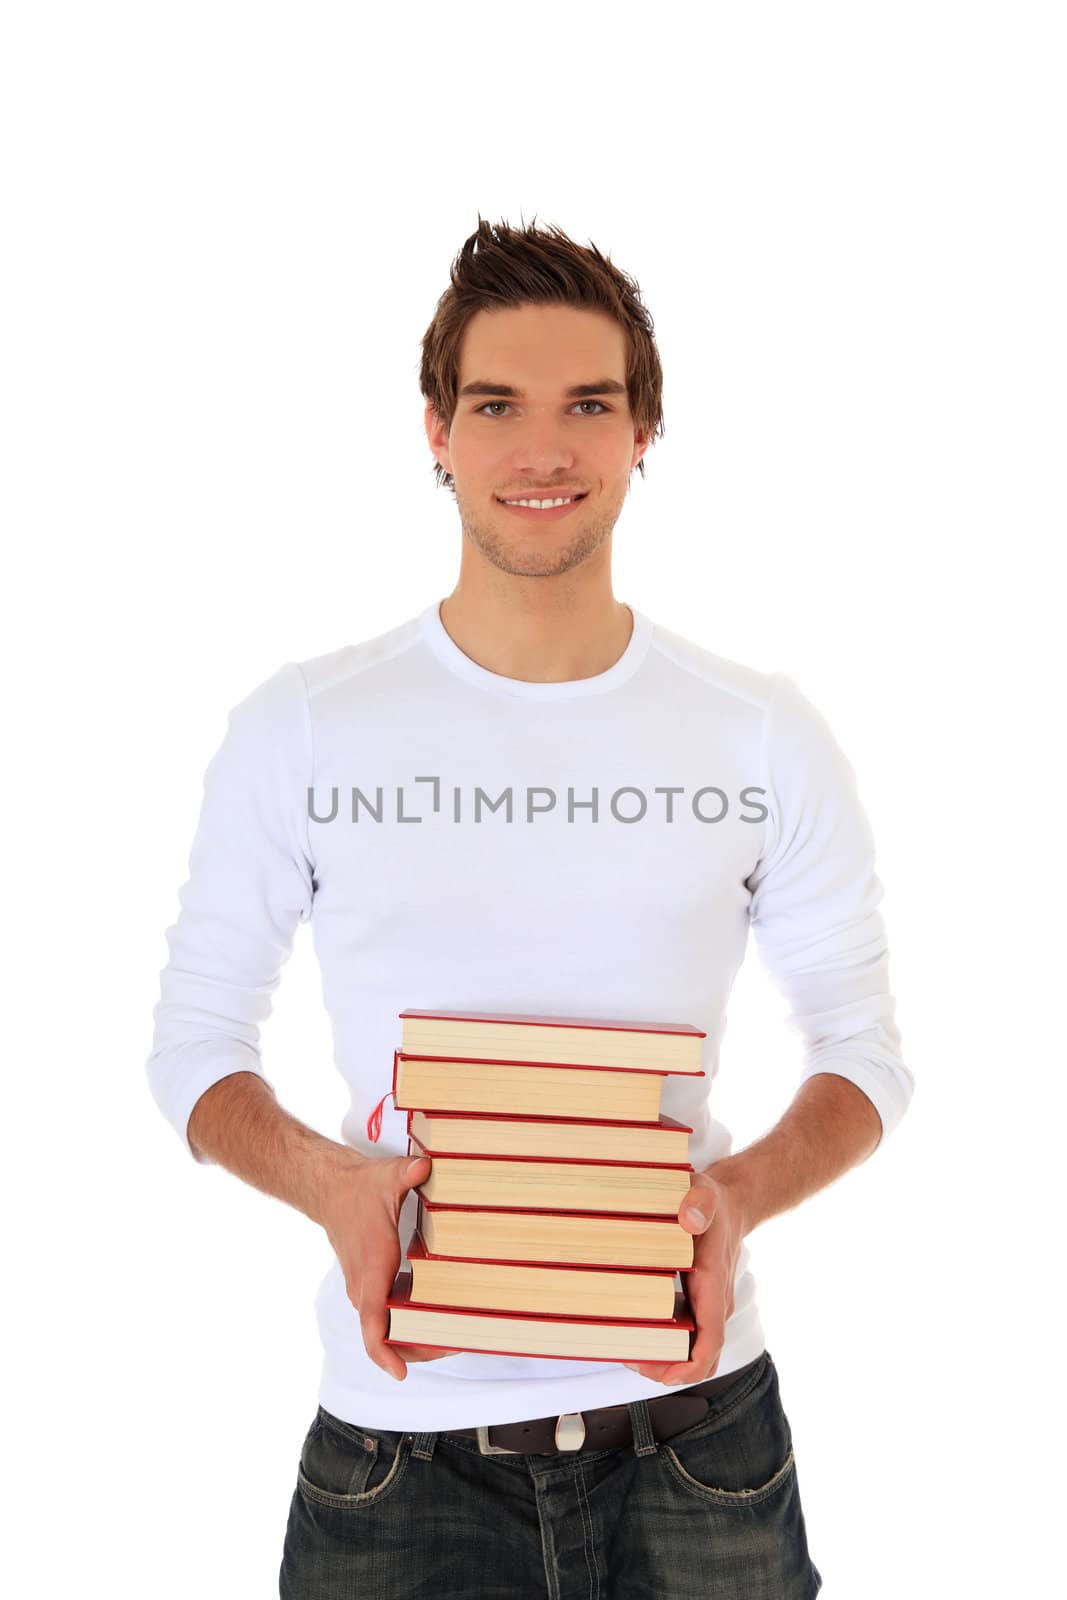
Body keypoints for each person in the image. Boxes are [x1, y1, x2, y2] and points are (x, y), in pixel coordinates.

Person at [145, 215, 913, 1598]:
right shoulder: (306, 728)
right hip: (401, 1462)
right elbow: (195, 1043)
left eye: (589, 406)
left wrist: (734, 1196)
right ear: (435, 430)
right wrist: (332, 1185)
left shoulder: (758, 735)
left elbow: (865, 1054)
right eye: (496, 405)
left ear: (641, 437)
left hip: (699, 1448)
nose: (542, 450)